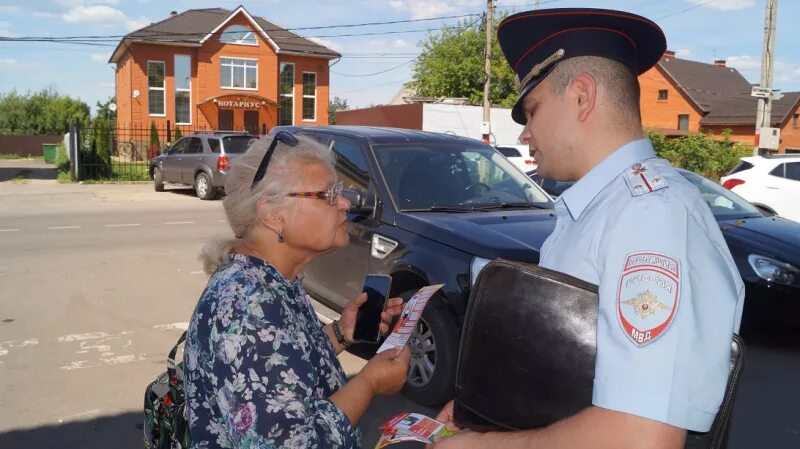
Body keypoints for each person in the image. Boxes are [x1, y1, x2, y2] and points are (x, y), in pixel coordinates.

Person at [432, 8, 744, 449]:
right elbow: (569, 375)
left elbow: (641, 437)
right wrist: (489, 415)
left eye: (532, 111)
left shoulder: (649, 215)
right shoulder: (606, 208)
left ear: (581, 96)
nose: (525, 135)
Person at [184, 131, 411, 449]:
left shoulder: (272, 280)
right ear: (272, 213)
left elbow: (282, 367)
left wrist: (341, 333)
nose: (346, 203)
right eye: (329, 194)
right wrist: (370, 382)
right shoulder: (245, 307)